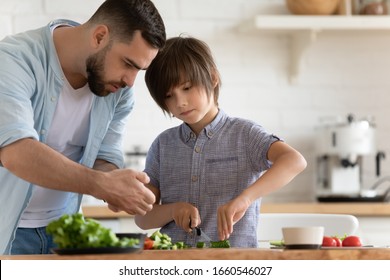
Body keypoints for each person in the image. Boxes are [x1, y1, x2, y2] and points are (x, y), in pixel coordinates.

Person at [0, 0, 166, 255]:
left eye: (139, 70)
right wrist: (101, 184)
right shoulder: (13, 60)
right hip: (7, 231)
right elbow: (16, 152)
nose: (131, 82)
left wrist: (117, 183)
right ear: (100, 36)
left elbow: (104, 156)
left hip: (65, 230)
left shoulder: (118, 92)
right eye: (128, 64)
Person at [135, 36, 307, 248]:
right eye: (169, 96)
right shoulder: (163, 145)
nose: (180, 102)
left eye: (187, 88)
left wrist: (245, 199)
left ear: (213, 78)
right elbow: (142, 218)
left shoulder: (245, 134)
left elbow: (294, 160)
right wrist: (172, 210)